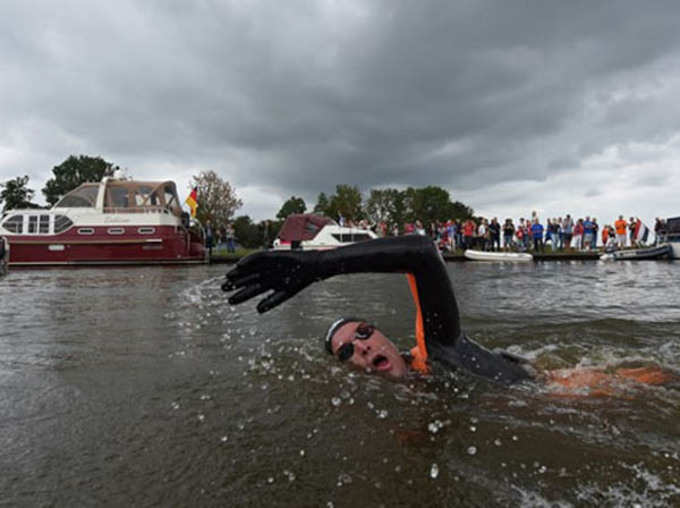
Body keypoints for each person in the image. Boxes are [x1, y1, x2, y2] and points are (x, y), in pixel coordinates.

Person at [222, 236, 674, 393]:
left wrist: (319, 265)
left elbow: (421, 251)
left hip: (587, 393)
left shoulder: (433, 347)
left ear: (383, 336)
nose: (362, 346)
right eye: (347, 353)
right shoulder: (408, 392)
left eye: (364, 333)